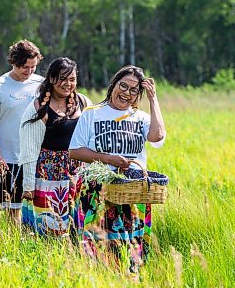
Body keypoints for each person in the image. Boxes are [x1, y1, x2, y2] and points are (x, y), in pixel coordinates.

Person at [69, 65, 166, 273]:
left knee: (132, 246)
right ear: (114, 84)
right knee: (97, 245)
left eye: (134, 90)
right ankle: (100, 283)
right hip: (98, 191)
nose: (127, 93)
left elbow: (157, 136)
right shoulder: (91, 114)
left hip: (132, 192)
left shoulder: (139, 117)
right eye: (123, 86)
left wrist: (153, 99)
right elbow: (75, 151)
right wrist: (106, 159)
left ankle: (131, 283)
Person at [18, 57, 92, 237]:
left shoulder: (83, 103)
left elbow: (92, 137)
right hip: (47, 175)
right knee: (48, 225)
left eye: (72, 79)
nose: (68, 84)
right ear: (51, 78)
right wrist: (28, 186)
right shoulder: (38, 107)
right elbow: (29, 150)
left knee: (77, 225)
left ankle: (75, 255)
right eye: (63, 78)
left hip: (76, 173)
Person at [0, 40, 44, 223]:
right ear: (13, 63)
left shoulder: (41, 84)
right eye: (25, 67)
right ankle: (12, 243)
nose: (30, 71)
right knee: (11, 209)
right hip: (8, 157)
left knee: (35, 207)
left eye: (33, 67)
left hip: (35, 156)